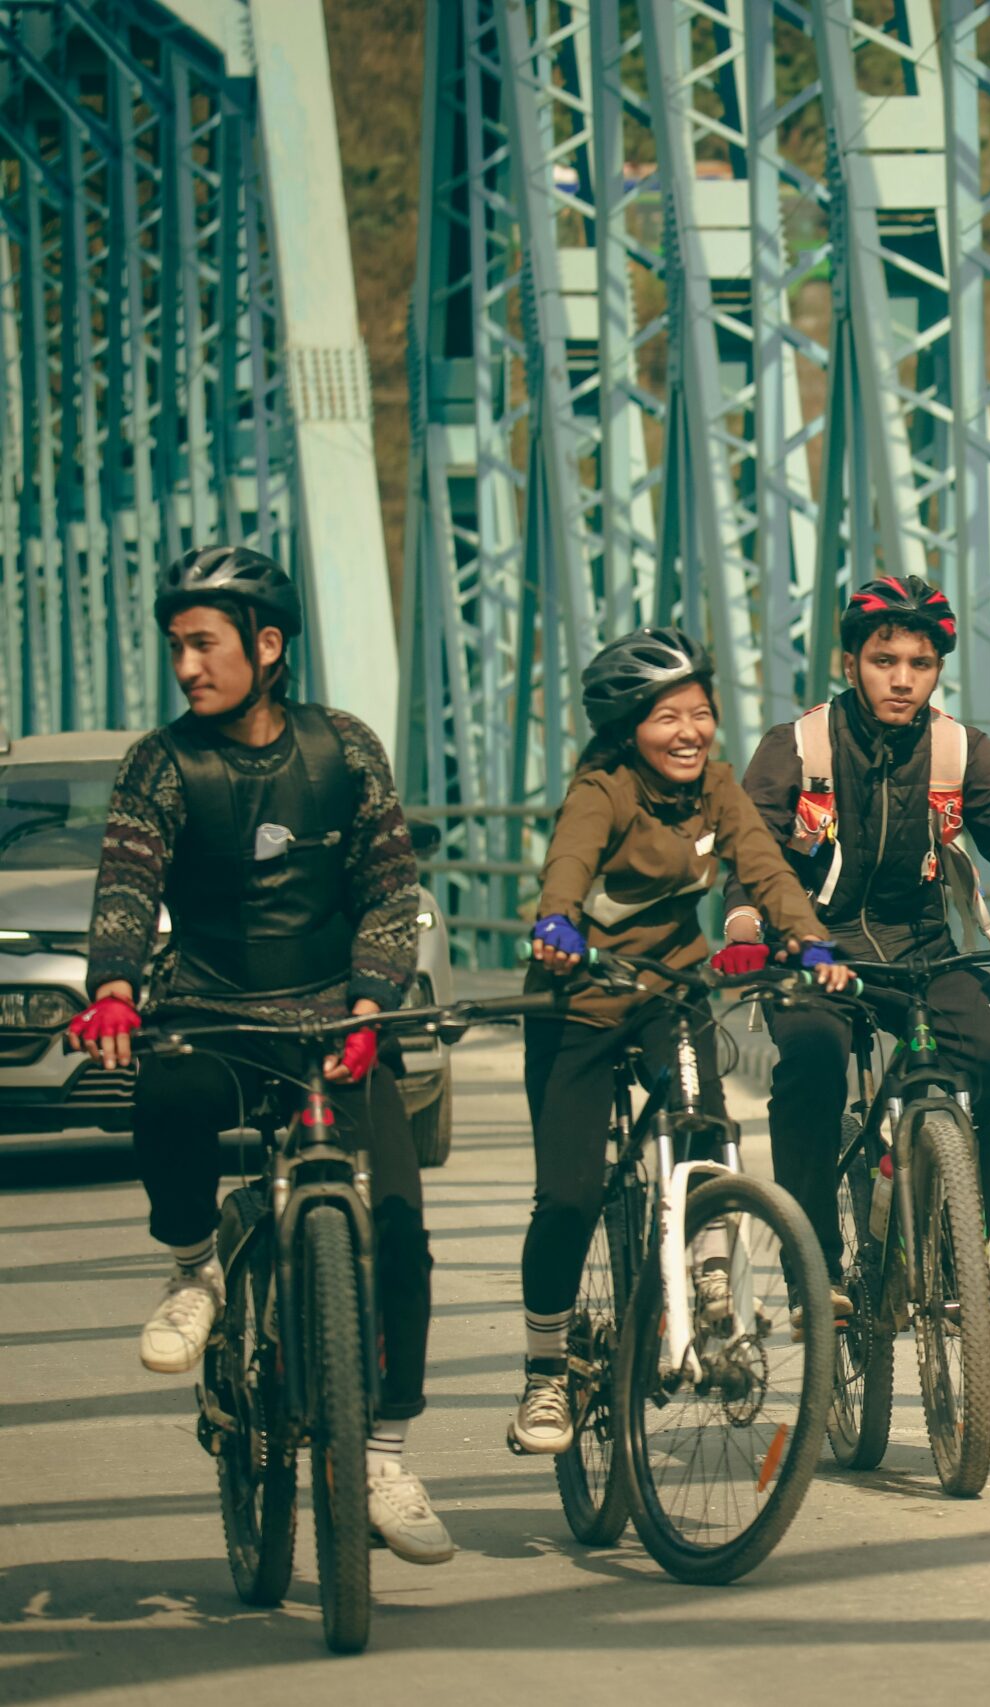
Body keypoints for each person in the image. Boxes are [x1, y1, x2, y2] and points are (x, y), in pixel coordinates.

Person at [65, 546, 454, 1563]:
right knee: (170, 1080)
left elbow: (390, 888)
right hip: (213, 1007)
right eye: (177, 647)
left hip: (338, 1019)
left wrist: (375, 995)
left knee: (404, 1229)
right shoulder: (160, 760)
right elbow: (126, 879)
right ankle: (192, 1269)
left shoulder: (347, 748)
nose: (187, 665)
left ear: (267, 645)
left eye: (205, 643)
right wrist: (112, 981)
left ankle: (381, 1455)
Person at [722, 575, 990, 1301]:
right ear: (850, 663)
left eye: (921, 663)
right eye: (884, 661)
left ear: (938, 669)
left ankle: (951, 1247)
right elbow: (752, 855)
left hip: (923, 950)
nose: (902, 679)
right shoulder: (799, 746)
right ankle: (815, 1267)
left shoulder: (958, 749)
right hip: (817, 949)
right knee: (810, 1069)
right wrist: (748, 930)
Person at [506, 627, 854, 1455]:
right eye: (668, 717)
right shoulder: (603, 789)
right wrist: (554, 921)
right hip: (580, 1003)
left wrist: (810, 941)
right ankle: (546, 1374)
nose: (691, 732)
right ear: (630, 728)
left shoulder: (719, 789)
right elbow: (568, 864)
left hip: (671, 992)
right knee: (566, 1196)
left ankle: (706, 1273)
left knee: (704, 1123)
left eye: (701, 713)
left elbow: (765, 867)